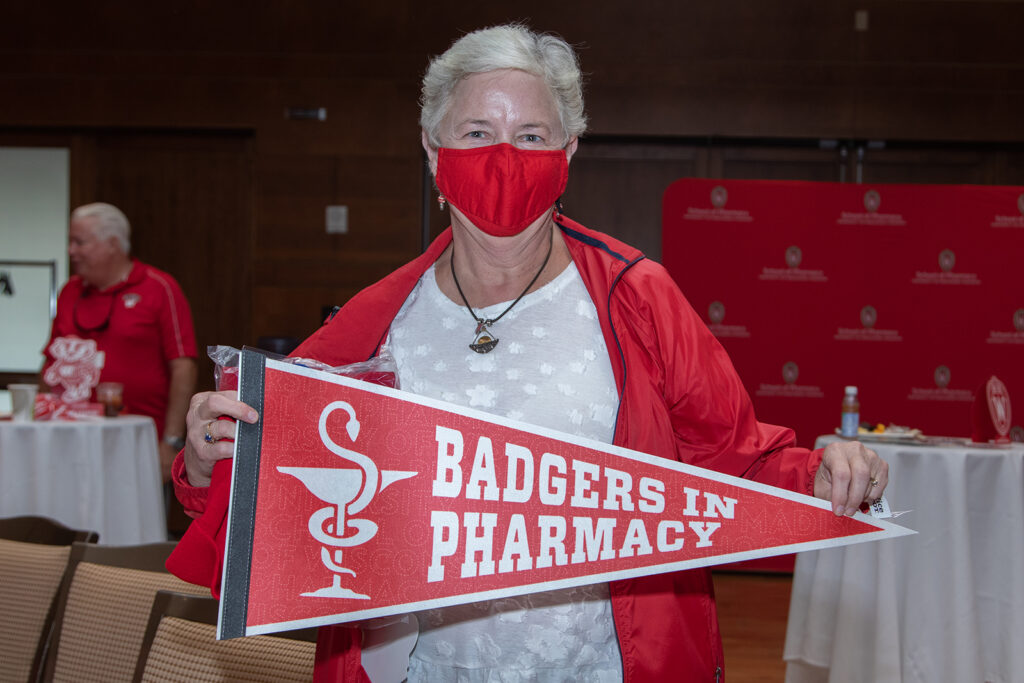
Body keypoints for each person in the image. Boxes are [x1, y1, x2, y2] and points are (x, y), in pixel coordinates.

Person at [170, 24, 889, 682]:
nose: (505, 157)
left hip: (606, 664)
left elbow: (738, 458)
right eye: (478, 130)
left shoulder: (636, 298)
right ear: (432, 148)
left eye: (533, 134)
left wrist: (827, 474)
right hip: (421, 668)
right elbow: (275, 487)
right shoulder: (378, 319)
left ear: (569, 151)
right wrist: (208, 457)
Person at [43, 202, 198, 482]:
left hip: (136, 442)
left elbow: (183, 367)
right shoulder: (69, 292)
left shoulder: (159, 288)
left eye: (79, 242)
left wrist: (172, 442)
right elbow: (51, 360)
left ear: (112, 244)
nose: (71, 251)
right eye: (70, 242)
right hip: (67, 441)